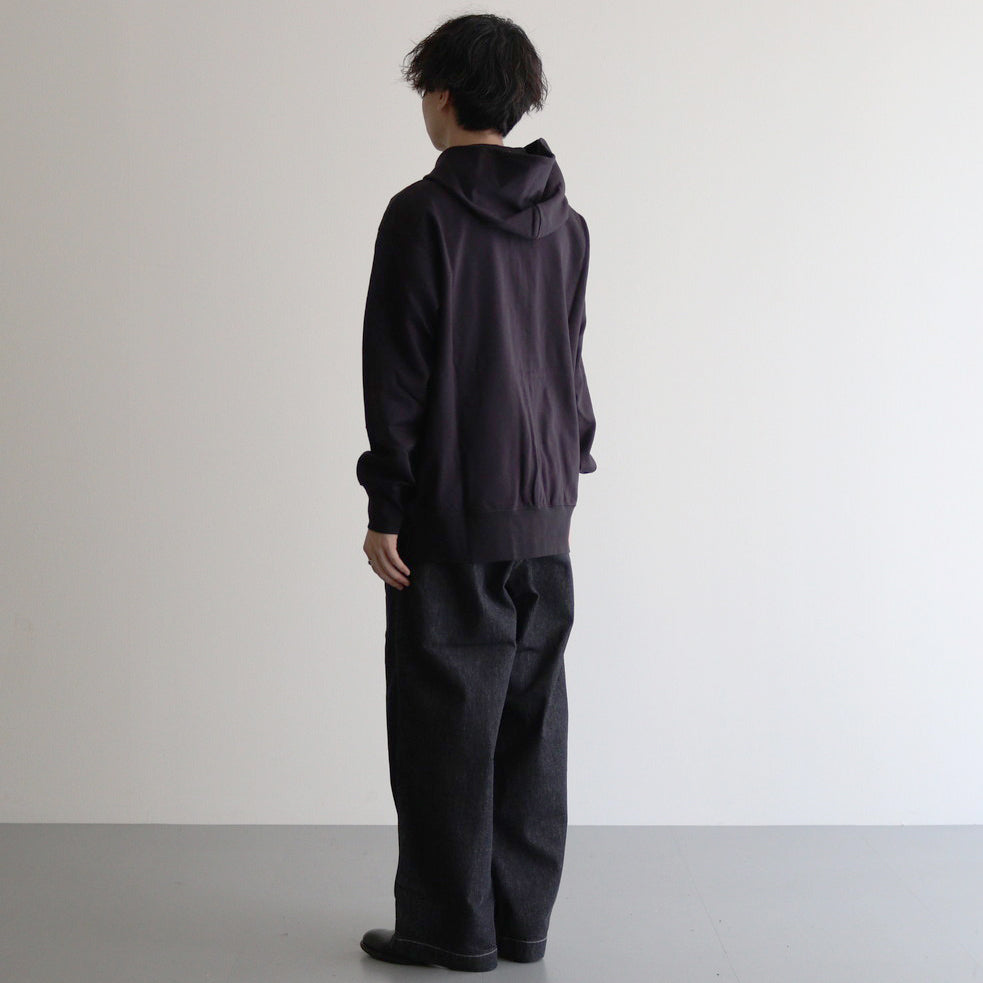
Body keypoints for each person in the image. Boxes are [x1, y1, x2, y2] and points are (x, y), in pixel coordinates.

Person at [356, 13, 597, 973]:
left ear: (443, 95)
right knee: (531, 727)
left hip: (450, 514)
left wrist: (386, 502)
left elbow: (398, 373)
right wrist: (567, 465)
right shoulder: (566, 223)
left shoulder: (421, 214)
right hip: (543, 512)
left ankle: (448, 930)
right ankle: (520, 923)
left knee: (444, 729)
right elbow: (568, 361)